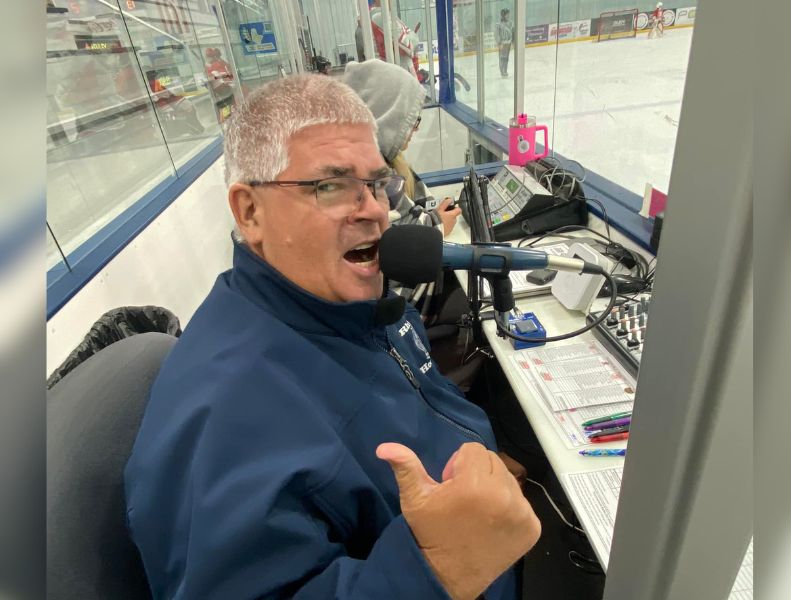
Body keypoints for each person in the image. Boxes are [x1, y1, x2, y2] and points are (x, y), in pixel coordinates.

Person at [124, 74, 540, 599]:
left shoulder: (348, 307)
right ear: (249, 211)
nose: (372, 209)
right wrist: (437, 569)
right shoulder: (226, 415)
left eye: (375, 183)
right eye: (330, 185)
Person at [342, 59, 461, 321]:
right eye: (410, 121)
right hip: (406, 309)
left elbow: (420, 209)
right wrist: (439, 223)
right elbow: (412, 233)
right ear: (387, 116)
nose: (413, 131)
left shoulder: (393, 163)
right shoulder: (370, 177)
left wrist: (434, 218)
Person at [495, 8, 513, 78]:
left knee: (506, 58)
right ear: (503, 15)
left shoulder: (510, 23)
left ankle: (505, 70)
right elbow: (497, 35)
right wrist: (499, 43)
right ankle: (502, 72)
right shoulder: (498, 24)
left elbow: (512, 33)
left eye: (508, 14)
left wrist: (512, 42)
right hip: (502, 44)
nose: (508, 15)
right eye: (507, 14)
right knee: (502, 58)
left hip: (508, 43)